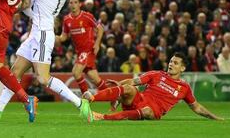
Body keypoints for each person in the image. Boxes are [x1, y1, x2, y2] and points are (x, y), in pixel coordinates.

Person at [84, 52, 223, 121]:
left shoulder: (185, 88)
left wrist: (214, 117)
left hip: (153, 111)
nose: (171, 64)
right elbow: (133, 82)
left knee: (147, 111)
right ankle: (92, 97)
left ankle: (102, 117)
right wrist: (119, 88)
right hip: (138, 100)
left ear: (183, 68)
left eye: (175, 63)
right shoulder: (156, 74)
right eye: (170, 61)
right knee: (130, 89)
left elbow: (196, 107)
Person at [56, 0, 106, 94]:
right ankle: (114, 97)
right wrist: (54, 37)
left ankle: (85, 99)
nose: (73, 4)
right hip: (80, 52)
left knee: (76, 72)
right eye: (71, 3)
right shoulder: (66, 19)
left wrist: (97, 44)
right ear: (68, 5)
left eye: (75, 2)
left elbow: (100, 28)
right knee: (95, 78)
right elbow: (64, 36)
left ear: (80, 4)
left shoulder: (87, 16)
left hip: (88, 50)